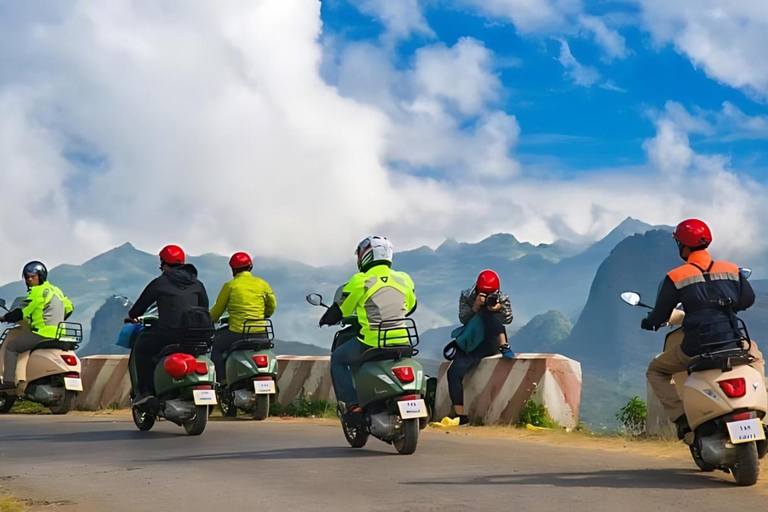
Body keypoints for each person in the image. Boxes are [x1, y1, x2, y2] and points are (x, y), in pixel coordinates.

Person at [642, 219, 763, 439]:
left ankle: (682, 420)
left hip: (696, 347)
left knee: (656, 370)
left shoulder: (676, 277)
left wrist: (649, 322)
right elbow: (748, 299)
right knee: (754, 357)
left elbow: (660, 314)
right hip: (732, 340)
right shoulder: (731, 270)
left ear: (683, 247)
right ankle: (758, 406)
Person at [319, 236, 416, 421]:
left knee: (338, 359)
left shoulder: (361, 280)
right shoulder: (404, 279)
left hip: (371, 342)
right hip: (403, 340)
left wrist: (325, 319)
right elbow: (411, 306)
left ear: (367, 255)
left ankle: (352, 405)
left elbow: (341, 309)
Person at [126, 245, 209, 404]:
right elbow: (204, 308)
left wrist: (132, 316)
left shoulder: (159, 283)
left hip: (169, 336)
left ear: (163, 263)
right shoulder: (197, 283)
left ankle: (146, 391)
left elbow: (138, 308)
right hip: (196, 336)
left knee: (142, 348)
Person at [447, 269, 514, 425]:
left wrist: (499, 309)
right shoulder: (466, 295)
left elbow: (508, 320)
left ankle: (503, 345)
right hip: (472, 340)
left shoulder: (502, 298)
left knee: (489, 314)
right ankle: (460, 416)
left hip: (490, 340)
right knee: (454, 372)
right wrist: (475, 307)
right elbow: (463, 319)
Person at [0, 262, 74, 391]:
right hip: (59, 334)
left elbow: (22, 311)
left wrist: (5, 317)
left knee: (11, 347)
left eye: (33, 277)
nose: (29, 280)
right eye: (27, 277)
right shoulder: (56, 290)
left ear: (41, 276)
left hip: (42, 333)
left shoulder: (37, 292)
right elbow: (69, 308)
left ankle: (8, 382)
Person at [209, 252, 277, 382]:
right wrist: (263, 315)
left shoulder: (230, 286)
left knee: (217, 346)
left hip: (238, 332)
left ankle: (220, 382)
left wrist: (210, 320)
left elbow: (217, 311)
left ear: (233, 270)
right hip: (261, 332)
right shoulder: (263, 284)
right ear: (250, 267)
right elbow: (271, 306)